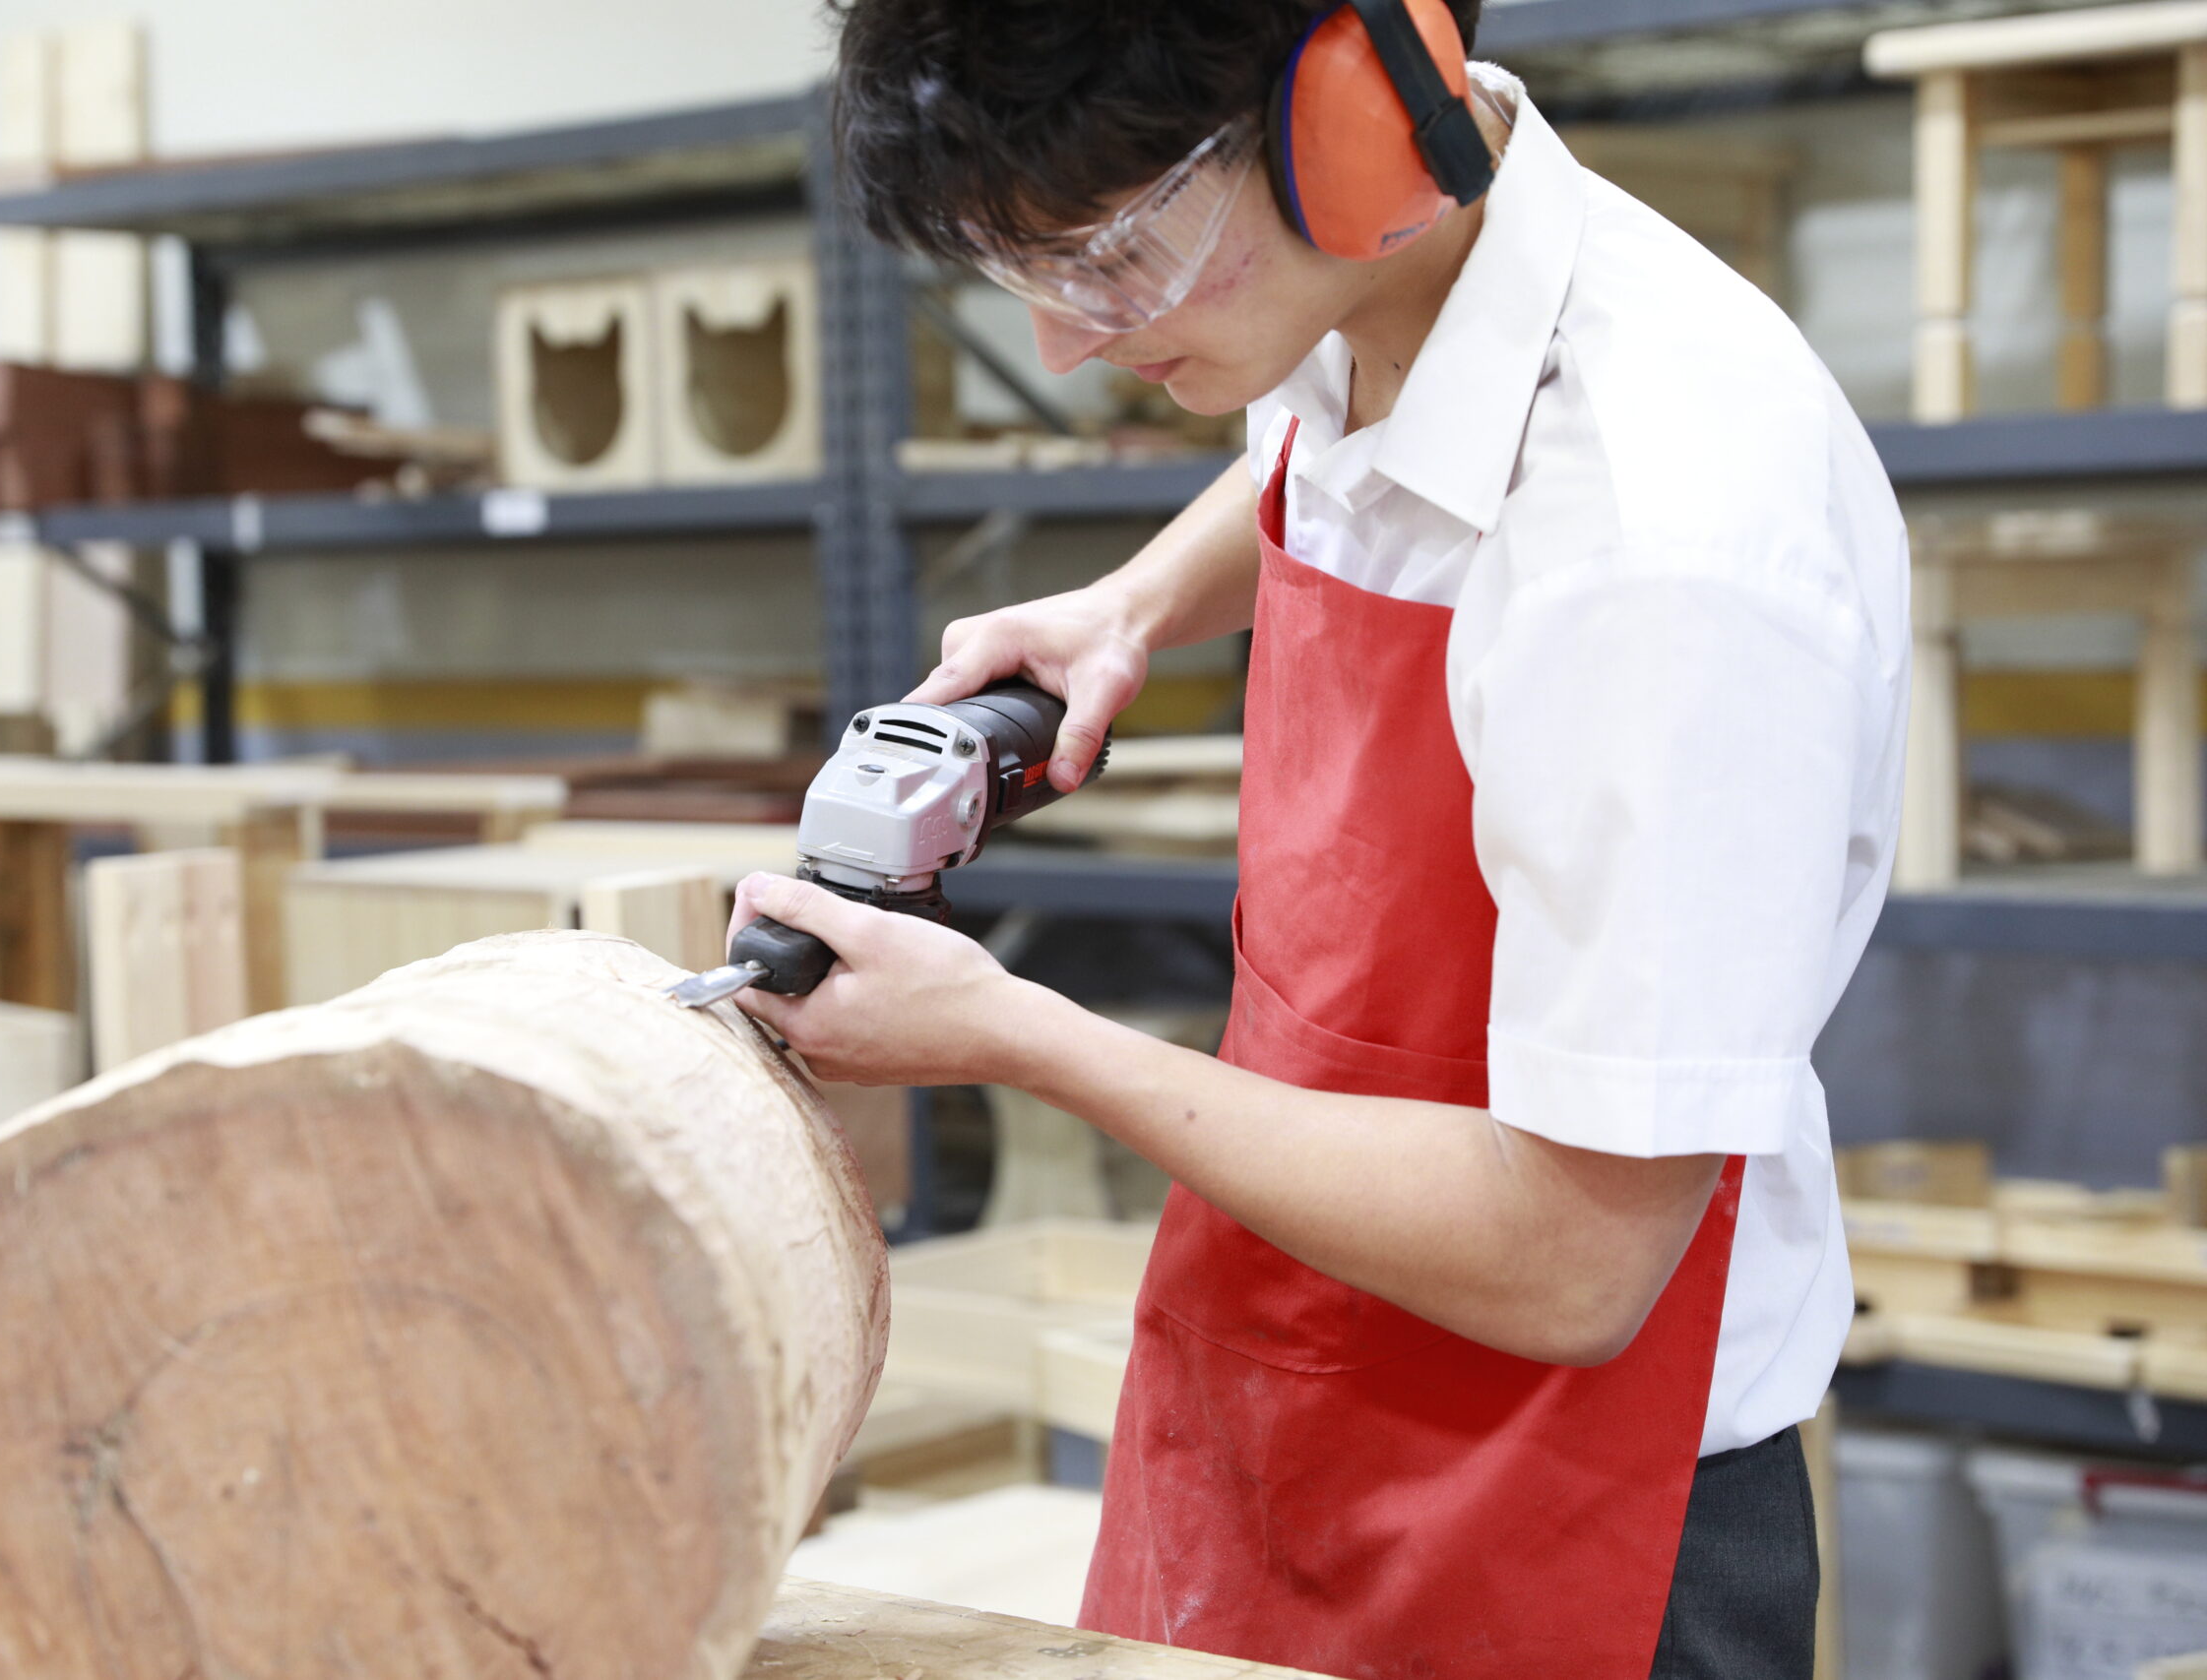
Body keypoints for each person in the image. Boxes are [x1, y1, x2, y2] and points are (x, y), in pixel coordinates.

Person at [731, 4, 1908, 1676]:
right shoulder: (1368, 287)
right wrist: (1135, 603)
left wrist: (1013, 1035)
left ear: (1355, 117)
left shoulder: (1662, 549)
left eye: (1114, 261)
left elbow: (1575, 1262)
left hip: (1555, 1520)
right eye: (1024, 274)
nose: (1065, 345)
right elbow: (1330, 448)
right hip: (1286, 1386)